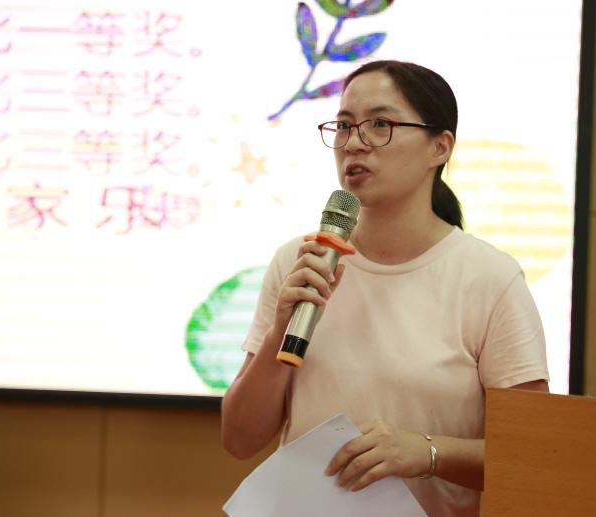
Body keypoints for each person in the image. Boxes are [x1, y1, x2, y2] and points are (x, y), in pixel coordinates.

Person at [221, 60, 549, 516]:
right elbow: (239, 439)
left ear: (440, 147)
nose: (354, 142)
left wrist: (427, 453)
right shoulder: (301, 261)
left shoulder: (490, 279)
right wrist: (281, 329)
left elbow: (533, 456)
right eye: (343, 125)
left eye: (380, 124)